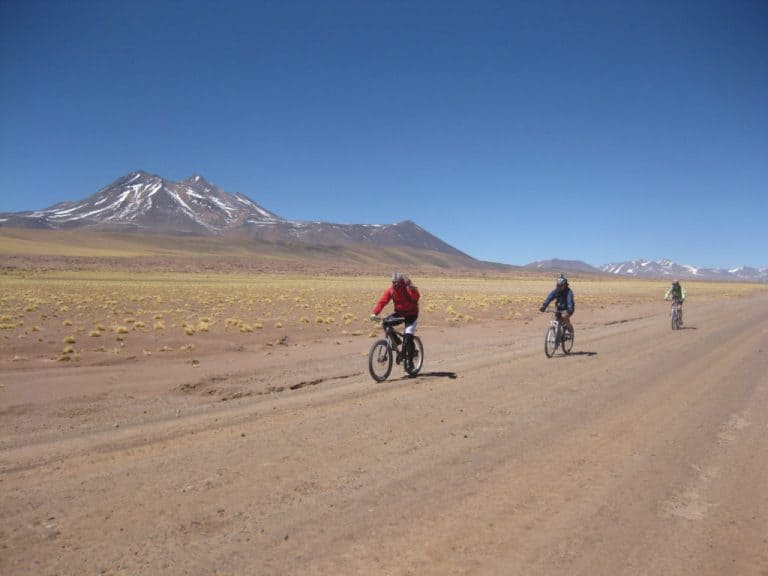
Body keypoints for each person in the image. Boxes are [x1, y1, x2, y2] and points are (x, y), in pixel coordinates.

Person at [371, 272, 420, 368]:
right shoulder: (391, 291)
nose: (395, 284)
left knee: (408, 337)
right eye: (394, 282)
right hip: (399, 314)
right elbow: (382, 302)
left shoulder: (408, 288)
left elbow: (416, 297)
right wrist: (374, 313)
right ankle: (397, 342)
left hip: (411, 315)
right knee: (385, 323)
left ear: (401, 281)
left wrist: (412, 287)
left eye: (397, 282)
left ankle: (410, 362)